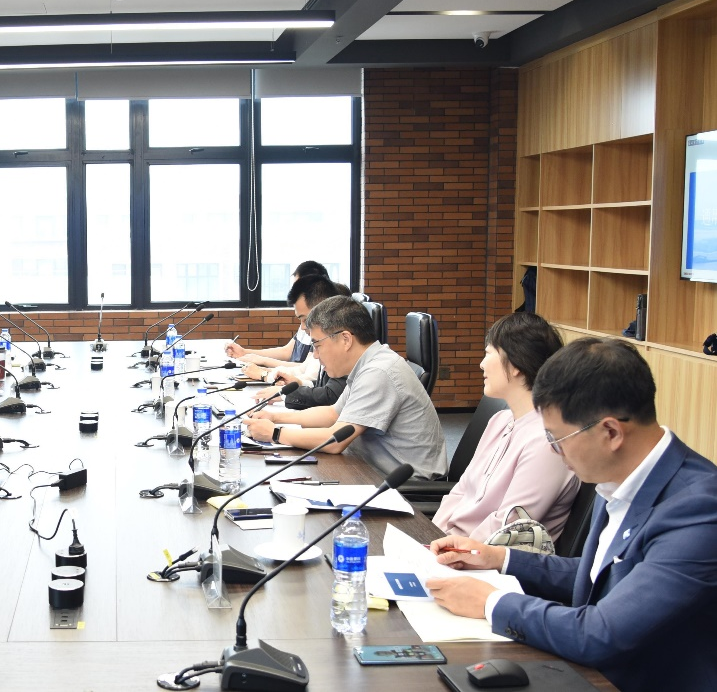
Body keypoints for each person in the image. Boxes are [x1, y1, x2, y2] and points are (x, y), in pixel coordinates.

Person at [426, 338, 717, 692]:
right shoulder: (618, 475)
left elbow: (602, 633)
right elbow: (601, 575)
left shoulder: (698, 510)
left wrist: (490, 602)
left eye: (556, 438)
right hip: (587, 672)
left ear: (611, 432)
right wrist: (498, 558)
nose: (553, 451)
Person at [242, 295, 447, 480]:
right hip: (369, 469)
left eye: (317, 345)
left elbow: (334, 442)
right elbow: (333, 414)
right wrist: (275, 417)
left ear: (346, 339)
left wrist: (275, 433)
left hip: (404, 487)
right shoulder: (368, 363)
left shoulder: (379, 371)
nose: (315, 355)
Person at [433, 313, 579, 540]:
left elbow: (506, 528)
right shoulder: (499, 420)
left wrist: (446, 548)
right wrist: (431, 537)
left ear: (515, 364)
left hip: (485, 554)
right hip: (450, 544)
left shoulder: (547, 441)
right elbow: (462, 490)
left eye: (488, 353)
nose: (481, 364)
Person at [248, 275, 352, 411]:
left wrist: (272, 383)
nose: (303, 327)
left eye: (305, 319)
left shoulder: (340, 346)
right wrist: (296, 383)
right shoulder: (327, 339)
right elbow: (323, 386)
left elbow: (331, 395)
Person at [226, 260, 330, 365]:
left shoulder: (322, 329)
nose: (294, 292)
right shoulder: (305, 323)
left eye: (298, 287)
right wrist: (244, 352)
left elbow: (306, 369)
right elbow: (287, 351)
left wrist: (263, 365)